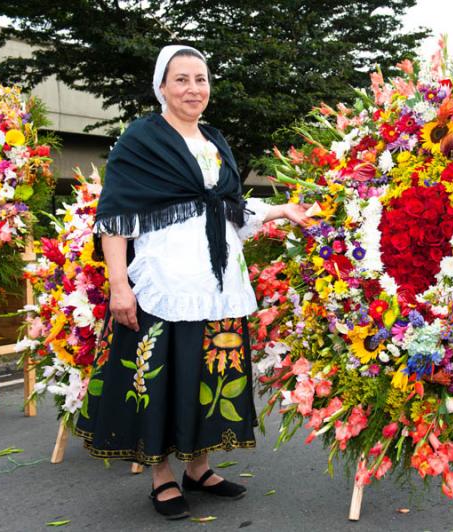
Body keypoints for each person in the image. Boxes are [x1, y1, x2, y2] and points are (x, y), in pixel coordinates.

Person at [75, 45, 310, 520]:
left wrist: (280, 211)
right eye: (181, 80)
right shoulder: (141, 141)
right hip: (164, 283)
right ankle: (162, 478)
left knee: (209, 375)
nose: (192, 89)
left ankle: (199, 468)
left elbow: (229, 207)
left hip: (218, 283)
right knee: (161, 378)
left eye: (200, 79)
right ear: (161, 86)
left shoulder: (214, 140)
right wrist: (119, 285)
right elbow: (116, 219)